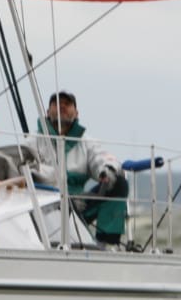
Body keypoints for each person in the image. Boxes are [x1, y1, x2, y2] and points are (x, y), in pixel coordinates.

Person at [33, 91, 128, 245]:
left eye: (67, 104)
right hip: (44, 207)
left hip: (79, 205)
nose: (62, 106)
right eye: (57, 104)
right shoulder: (33, 142)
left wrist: (106, 171)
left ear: (76, 113)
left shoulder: (87, 142)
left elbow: (102, 158)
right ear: (48, 112)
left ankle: (105, 243)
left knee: (119, 183)